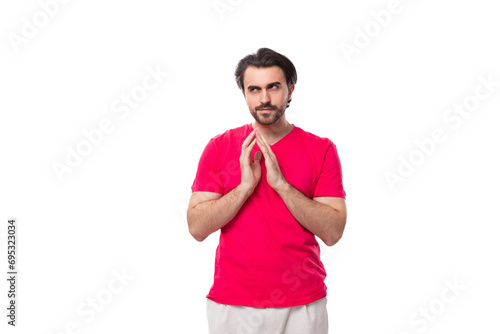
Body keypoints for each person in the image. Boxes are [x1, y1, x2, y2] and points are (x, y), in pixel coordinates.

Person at [187, 47, 347, 334]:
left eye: (273, 87)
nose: (264, 98)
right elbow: (197, 228)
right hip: (233, 305)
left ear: (290, 90)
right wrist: (245, 188)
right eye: (254, 89)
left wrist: (281, 185)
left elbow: (333, 232)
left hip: (303, 304)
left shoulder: (321, 149)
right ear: (244, 93)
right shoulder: (219, 147)